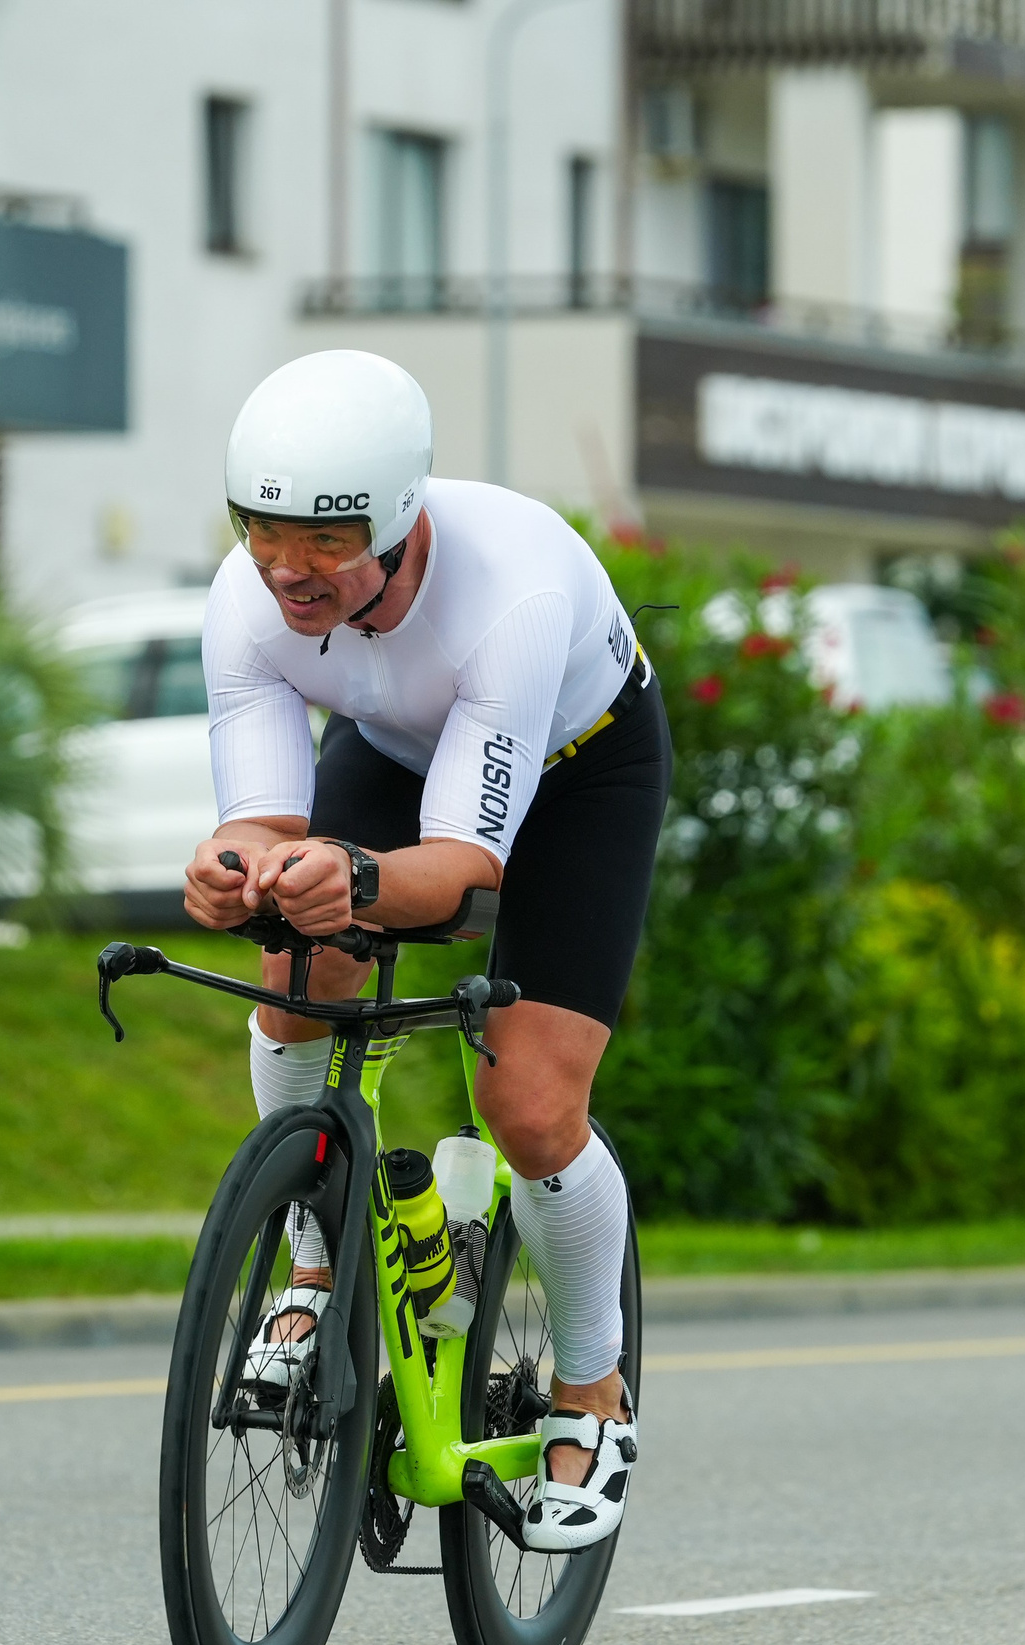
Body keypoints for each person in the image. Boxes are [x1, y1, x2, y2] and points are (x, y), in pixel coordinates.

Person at [180, 349, 670, 1551]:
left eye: (326, 540)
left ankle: (592, 1391)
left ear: (397, 519)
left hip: (576, 772)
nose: (288, 569)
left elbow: (461, 868)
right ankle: (311, 1259)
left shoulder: (511, 590)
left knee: (530, 1103)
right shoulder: (245, 599)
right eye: (262, 529)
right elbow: (264, 814)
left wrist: (347, 878)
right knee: (298, 966)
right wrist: (235, 865)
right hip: (401, 752)